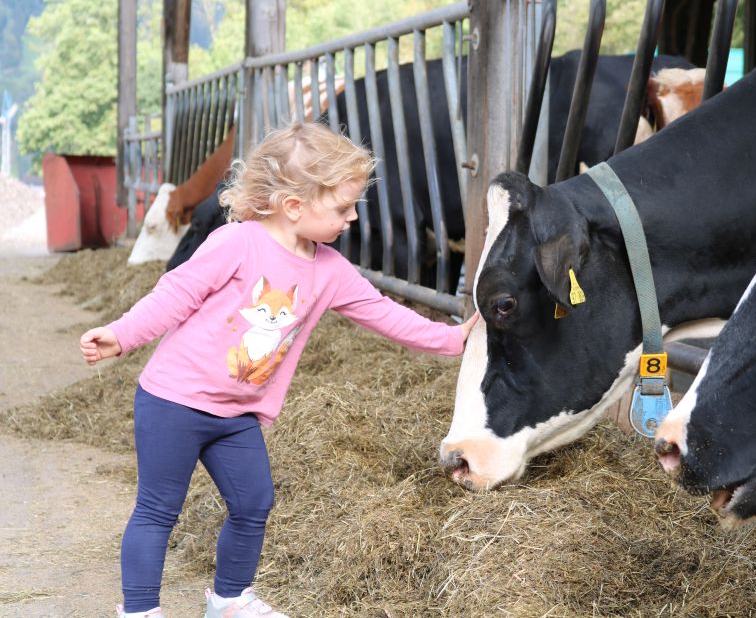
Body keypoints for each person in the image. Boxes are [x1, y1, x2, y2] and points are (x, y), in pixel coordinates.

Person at [79, 122, 479, 618]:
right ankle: (139, 611)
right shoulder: (236, 243)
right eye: (342, 207)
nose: (352, 218)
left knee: (254, 502)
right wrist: (121, 335)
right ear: (294, 205)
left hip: (237, 415)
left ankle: (228, 600)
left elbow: (385, 314)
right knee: (160, 510)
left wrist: (451, 339)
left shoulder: (329, 270)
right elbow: (175, 295)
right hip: (173, 402)